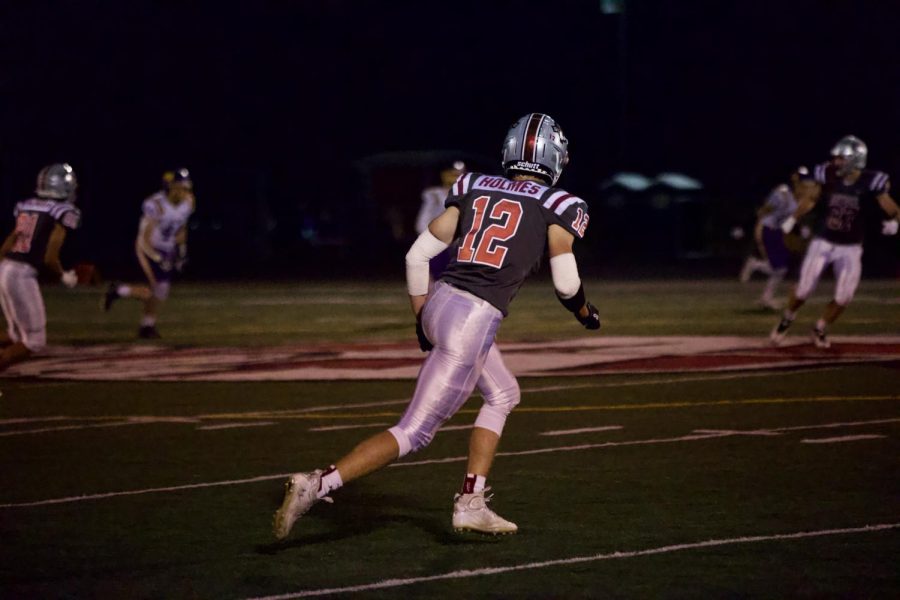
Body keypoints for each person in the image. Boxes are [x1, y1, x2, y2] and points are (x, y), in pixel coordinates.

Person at [273, 113, 601, 540]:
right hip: (474, 318)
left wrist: (421, 320)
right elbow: (565, 282)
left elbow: (415, 256)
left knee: (503, 393)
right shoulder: (560, 203)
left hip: (438, 301)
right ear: (555, 158)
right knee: (414, 432)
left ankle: (472, 502)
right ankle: (317, 484)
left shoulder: (473, 185)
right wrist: (584, 312)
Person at [770, 135, 900, 348]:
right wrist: (792, 218)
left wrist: (895, 221)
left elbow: (891, 207)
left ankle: (819, 327)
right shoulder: (827, 174)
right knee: (803, 289)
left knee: (844, 296)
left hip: (851, 247)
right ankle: (787, 318)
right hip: (824, 241)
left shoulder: (871, 180)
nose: (836, 162)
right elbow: (811, 198)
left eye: (841, 158)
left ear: (855, 159)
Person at [0, 163, 80, 370]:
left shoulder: (27, 205)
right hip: (21, 274)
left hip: (6, 267)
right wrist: (63, 276)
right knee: (34, 341)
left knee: (15, 335)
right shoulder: (62, 211)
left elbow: (11, 239)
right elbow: (50, 258)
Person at [103, 168, 195, 338]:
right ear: (170, 186)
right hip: (146, 249)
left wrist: (181, 251)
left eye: (186, 187)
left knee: (161, 291)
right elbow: (144, 238)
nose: (184, 191)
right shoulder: (156, 205)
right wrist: (157, 258)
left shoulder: (188, 202)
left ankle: (144, 322)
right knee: (151, 292)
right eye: (180, 187)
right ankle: (142, 320)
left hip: (167, 249)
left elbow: (181, 228)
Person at [739, 167, 816, 309]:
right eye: (802, 180)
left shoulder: (795, 199)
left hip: (776, 231)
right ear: (795, 179)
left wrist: (800, 231)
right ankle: (754, 265)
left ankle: (765, 297)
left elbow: (787, 223)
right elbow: (764, 210)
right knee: (779, 268)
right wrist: (754, 228)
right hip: (767, 229)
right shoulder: (783, 192)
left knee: (781, 269)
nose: (805, 185)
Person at [415, 160, 466, 283]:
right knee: (436, 265)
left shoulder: (467, 194)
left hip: (455, 235)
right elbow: (425, 214)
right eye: (453, 174)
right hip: (436, 233)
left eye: (459, 175)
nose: (456, 178)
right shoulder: (434, 193)